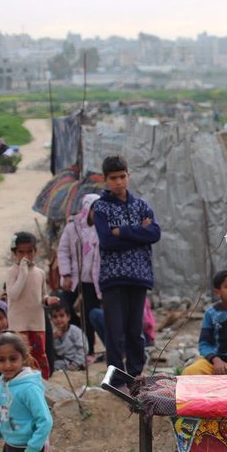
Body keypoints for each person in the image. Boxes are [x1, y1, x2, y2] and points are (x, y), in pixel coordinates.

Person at [92, 154, 161, 387]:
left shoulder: (141, 205)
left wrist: (121, 231)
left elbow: (154, 234)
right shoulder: (101, 208)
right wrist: (138, 233)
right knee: (115, 331)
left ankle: (135, 375)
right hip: (113, 278)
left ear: (128, 176)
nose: (119, 182)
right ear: (105, 179)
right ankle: (115, 378)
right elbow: (106, 241)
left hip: (139, 276)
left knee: (134, 330)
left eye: (122, 176)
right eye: (113, 178)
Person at [5, 232, 58, 379]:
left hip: (37, 323)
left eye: (29, 251)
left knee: (38, 357)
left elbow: (42, 295)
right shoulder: (12, 273)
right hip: (18, 324)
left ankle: (41, 385)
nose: (25, 256)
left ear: (36, 251)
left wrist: (48, 300)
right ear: (15, 253)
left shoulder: (39, 273)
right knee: (20, 357)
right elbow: (13, 294)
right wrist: (23, 272)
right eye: (21, 252)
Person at [56, 193, 102, 362]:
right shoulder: (72, 227)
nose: (97, 214)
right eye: (94, 210)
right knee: (66, 309)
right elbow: (63, 251)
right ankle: (72, 343)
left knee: (89, 315)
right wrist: (66, 274)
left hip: (93, 281)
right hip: (74, 278)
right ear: (87, 209)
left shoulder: (102, 229)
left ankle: (89, 350)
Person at [49, 303, 88, 372]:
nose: (58, 319)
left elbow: (83, 348)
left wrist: (75, 363)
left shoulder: (74, 331)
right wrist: (52, 339)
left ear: (68, 317)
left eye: (61, 316)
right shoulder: (53, 334)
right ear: (51, 319)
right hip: (63, 362)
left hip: (77, 361)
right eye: (55, 317)